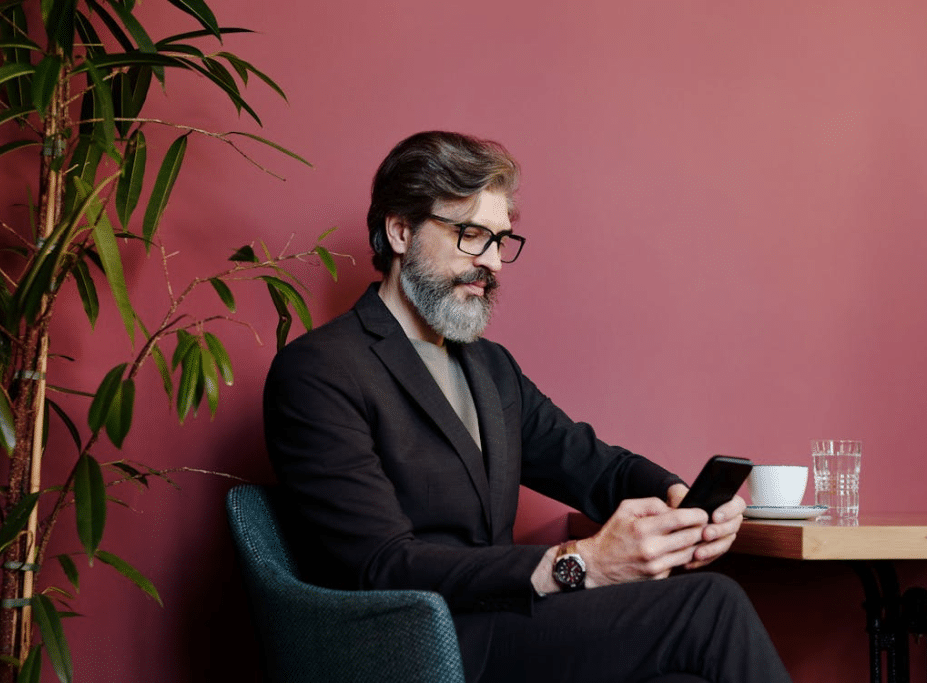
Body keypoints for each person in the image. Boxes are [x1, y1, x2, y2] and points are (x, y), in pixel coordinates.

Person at [263, 131, 792, 683]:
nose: (493, 262)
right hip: (414, 647)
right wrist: (579, 564)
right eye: (472, 236)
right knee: (709, 604)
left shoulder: (491, 368)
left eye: (500, 240)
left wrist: (680, 499)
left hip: (506, 626)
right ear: (400, 231)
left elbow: (594, 466)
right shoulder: (320, 371)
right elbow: (383, 565)